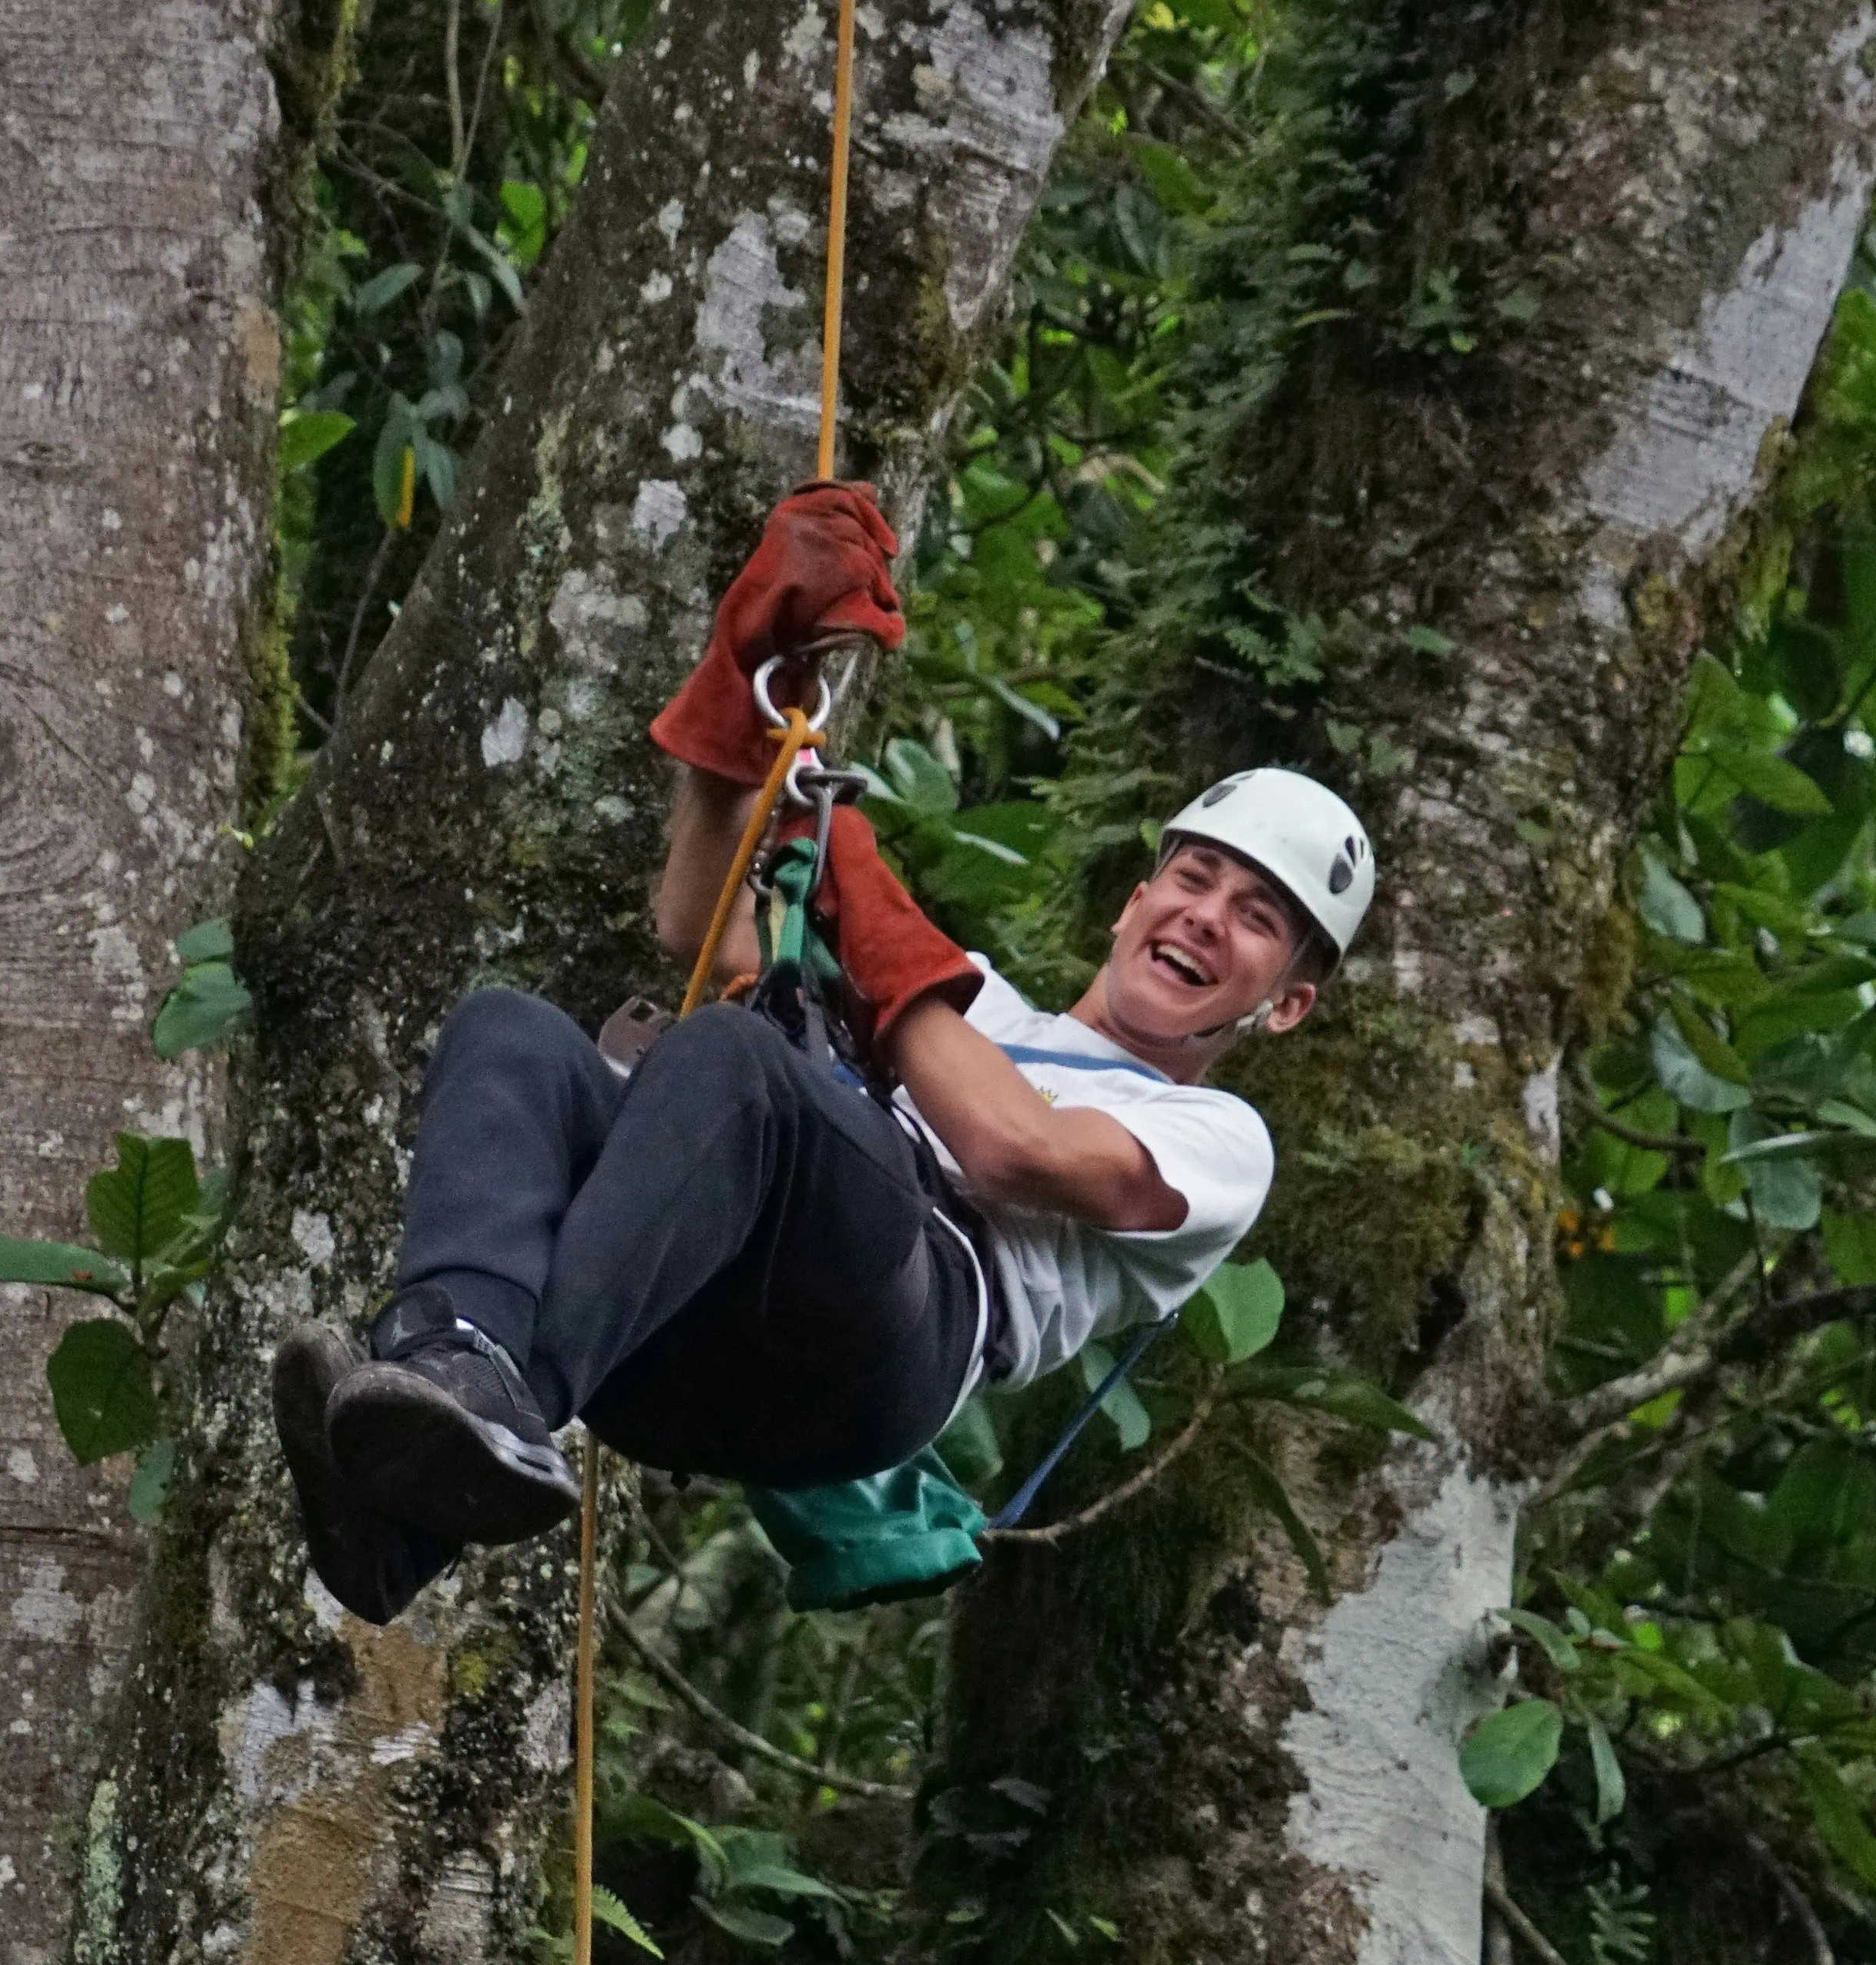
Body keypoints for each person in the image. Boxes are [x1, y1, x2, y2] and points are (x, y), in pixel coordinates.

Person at [271, 485, 1376, 1622]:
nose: (1205, 917)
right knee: (513, 1034)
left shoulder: (1220, 1145)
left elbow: (1009, 1147)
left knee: (734, 1064)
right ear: (1134, 903)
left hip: (883, 1349)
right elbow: (701, 922)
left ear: (1281, 1007)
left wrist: (857, 879)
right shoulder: (979, 1005)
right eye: (1194, 881)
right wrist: (736, 696)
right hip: (675, 1349)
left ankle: (498, 1412)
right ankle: (439, 1406)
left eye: (1254, 918)